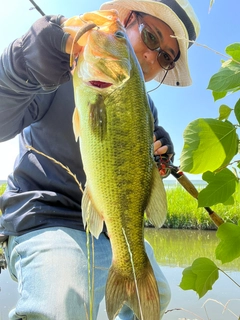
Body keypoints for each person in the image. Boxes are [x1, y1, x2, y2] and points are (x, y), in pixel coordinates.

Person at [0, 0, 200, 319]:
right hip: (44, 215)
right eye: (151, 37)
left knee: (157, 295)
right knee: (58, 307)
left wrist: (159, 159)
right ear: (128, 19)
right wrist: (22, 63)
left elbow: (135, 175)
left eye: (165, 57)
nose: (151, 56)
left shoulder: (147, 110)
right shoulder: (54, 68)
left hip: (109, 227)